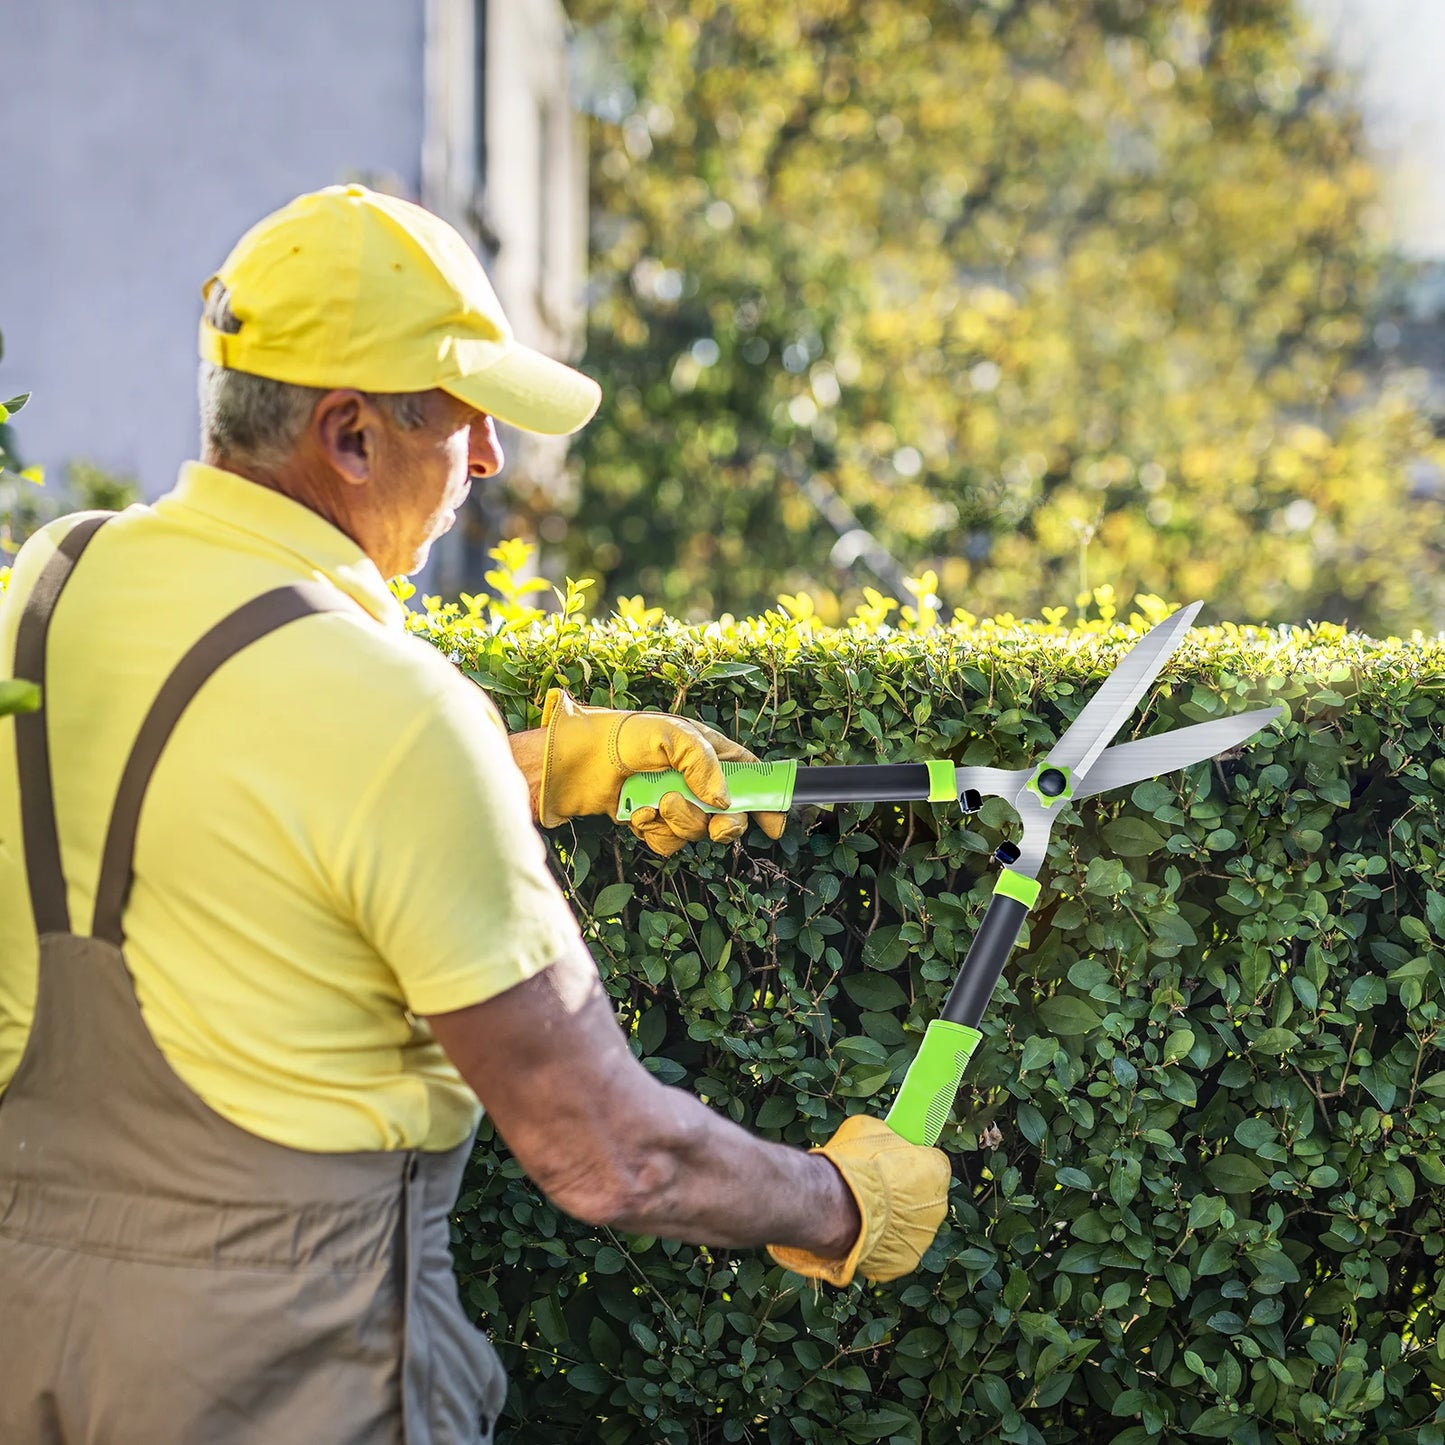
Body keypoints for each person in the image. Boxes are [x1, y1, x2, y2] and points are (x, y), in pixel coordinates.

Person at [0, 185, 950, 1445]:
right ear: (347, 435)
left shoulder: (55, 579)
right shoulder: (393, 709)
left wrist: (538, 768)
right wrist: (836, 1201)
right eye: (465, 419)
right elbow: (608, 1149)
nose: (490, 458)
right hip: (277, 1378)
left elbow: (233, 813)